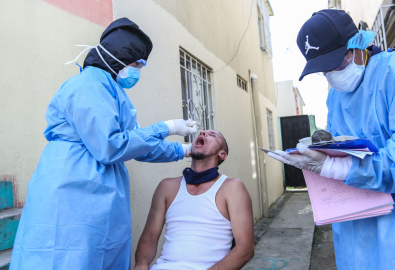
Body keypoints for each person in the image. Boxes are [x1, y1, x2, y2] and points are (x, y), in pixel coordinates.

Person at [267, 9, 395, 269]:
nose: (332, 74)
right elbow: (345, 147)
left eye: (337, 63)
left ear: (359, 44)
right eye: (324, 70)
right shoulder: (336, 97)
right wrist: (318, 155)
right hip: (356, 231)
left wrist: (338, 166)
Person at [10, 18, 197, 270]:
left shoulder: (112, 90)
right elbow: (110, 146)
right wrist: (167, 128)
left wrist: (183, 150)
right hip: (71, 188)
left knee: (98, 255)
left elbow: (133, 142)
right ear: (117, 58)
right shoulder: (89, 85)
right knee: (66, 257)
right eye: (136, 63)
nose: (137, 70)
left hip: (99, 192)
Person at [134, 130, 255, 270]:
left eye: (212, 135)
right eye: (202, 133)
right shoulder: (166, 187)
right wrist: (141, 264)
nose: (203, 133)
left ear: (222, 154)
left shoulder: (232, 188)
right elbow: (150, 236)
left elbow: (246, 248)